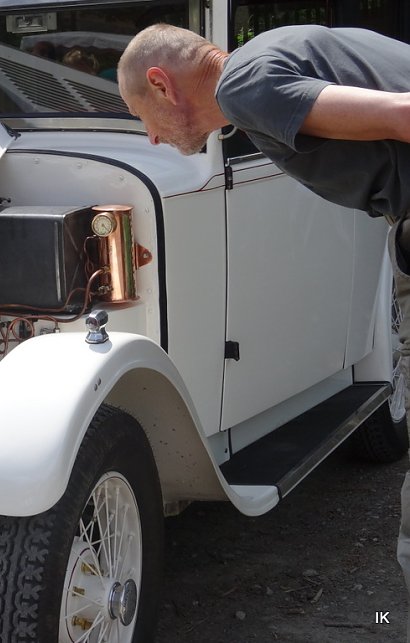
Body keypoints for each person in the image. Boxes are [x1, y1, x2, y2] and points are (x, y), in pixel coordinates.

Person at [118, 22, 410, 638]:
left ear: (161, 84)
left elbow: (404, 113)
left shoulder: (245, 84)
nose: (150, 136)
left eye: (142, 117)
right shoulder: (274, 51)